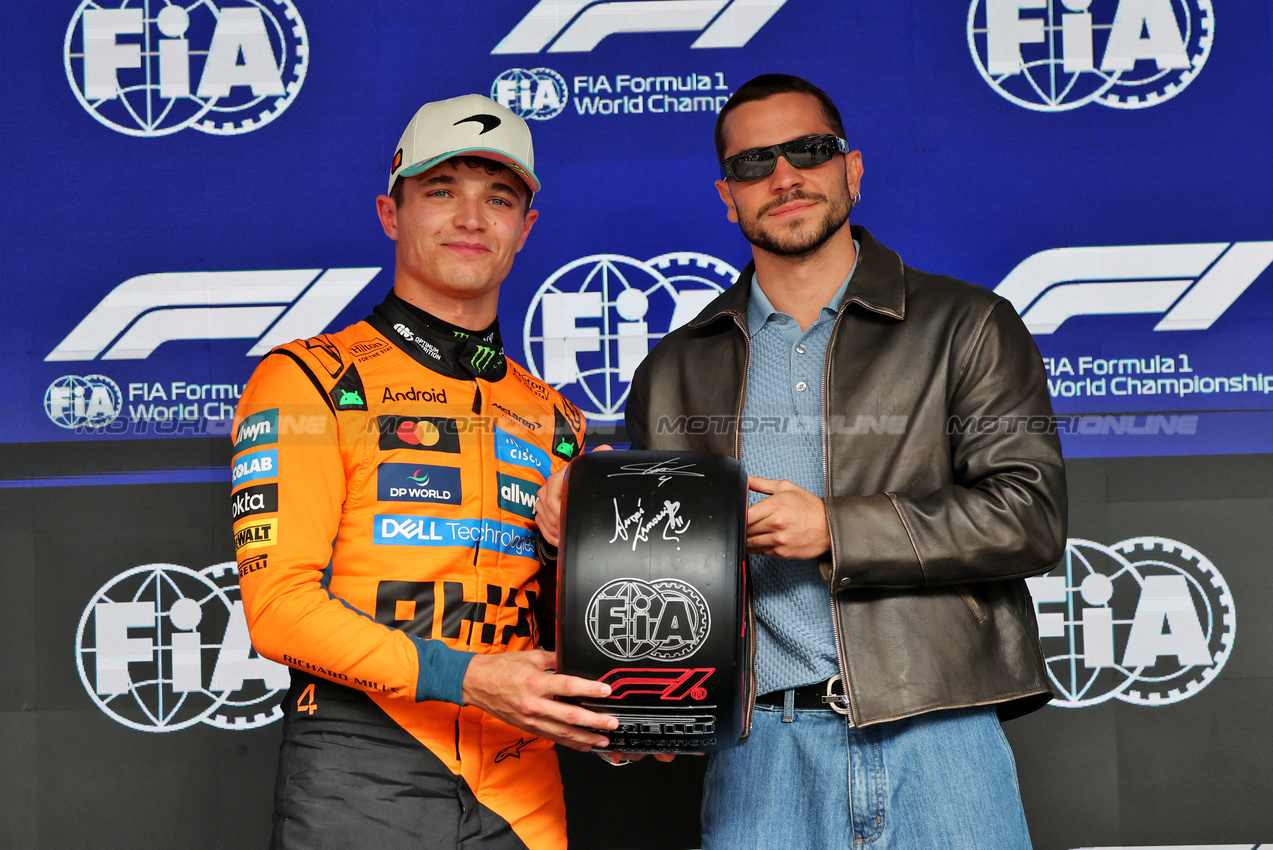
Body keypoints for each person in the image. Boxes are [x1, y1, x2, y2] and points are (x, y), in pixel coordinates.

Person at [536, 74, 1067, 849]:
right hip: (761, 758)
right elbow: (652, 575)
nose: (783, 178)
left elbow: (1029, 517)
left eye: (808, 152)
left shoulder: (966, 324)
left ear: (851, 169)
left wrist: (834, 528)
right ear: (727, 197)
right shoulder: (675, 368)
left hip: (938, 733)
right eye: (753, 164)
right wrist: (576, 526)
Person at [231, 93, 618, 850]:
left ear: (525, 228)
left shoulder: (557, 419)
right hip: (362, 765)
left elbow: (567, 619)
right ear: (390, 212)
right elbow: (277, 610)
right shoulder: (306, 379)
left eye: (498, 197)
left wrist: (618, 706)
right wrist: (467, 679)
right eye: (441, 191)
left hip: (522, 778)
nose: (471, 218)